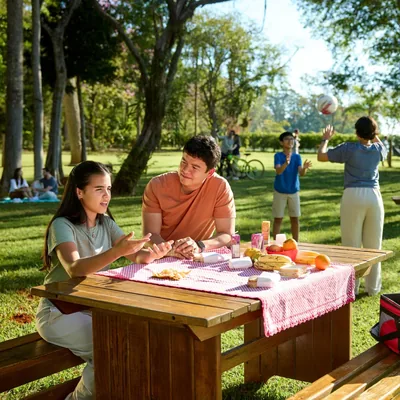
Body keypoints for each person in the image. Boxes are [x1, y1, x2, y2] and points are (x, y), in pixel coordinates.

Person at [35, 161, 173, 400]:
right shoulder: (62, 225)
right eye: (99, 189)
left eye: (108, 189)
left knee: (136, 343)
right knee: (112, 352)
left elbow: (135, 255)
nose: (106, 195)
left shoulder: (105, 223)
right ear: (79, 192)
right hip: (58, 313)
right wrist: (116, 252)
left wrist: (153, 254)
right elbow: (75, 268)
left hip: (94, 309)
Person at [317, 117, 387, 296]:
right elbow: (378, 143)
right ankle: (373, 288)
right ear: (373, 132)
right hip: (374, 196)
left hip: (353, 195)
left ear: (356, 132)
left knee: (351, 245)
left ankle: (352, 288)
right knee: (374, 246)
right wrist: (374, 133)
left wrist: (325, 139)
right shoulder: (379, 149)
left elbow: (321, 156)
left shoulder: (348, 148)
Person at [142, 135, 236, 259]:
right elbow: (150, 235)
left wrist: (199, 245)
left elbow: (227, 235)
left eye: (195, 167)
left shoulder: (220, 187)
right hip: (159, 257)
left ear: (210, 173)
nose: (185, 170)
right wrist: (170, 251)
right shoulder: (157, 185)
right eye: (184, 161)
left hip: (195, 257)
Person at [272, 131, 312, 242]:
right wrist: (286, 163)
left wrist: (304, 168)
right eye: (287, 139)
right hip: (280, 191)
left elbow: (301, 173)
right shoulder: (278, 156)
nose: (290, 141)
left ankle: (296, 243)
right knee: (278, 219)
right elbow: (279, 171)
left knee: (295, 219)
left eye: (291, 139)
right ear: (281, 142)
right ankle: (276, 244)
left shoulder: (297, 157)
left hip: (293, 191)